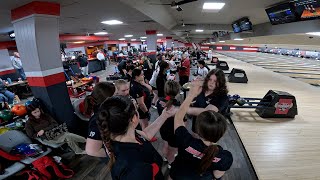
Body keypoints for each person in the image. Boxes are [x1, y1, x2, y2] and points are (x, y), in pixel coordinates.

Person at [96, 96, 177, 179]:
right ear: (134, 118)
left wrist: (164, 116)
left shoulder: (124, 135)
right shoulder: (135, 169)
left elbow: (145, 134)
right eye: (136, 108)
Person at [171, 79, 233, 180]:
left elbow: (178, 117)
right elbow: (216, 175)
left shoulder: (185, 140)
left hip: (178, 175)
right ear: (222, 133)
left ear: (198, 131)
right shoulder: (225, 157)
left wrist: (191, 94)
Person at [85, 82, 116, 157]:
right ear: (108, 99)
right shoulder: (97, 120)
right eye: (116, 95)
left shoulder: (108, 110)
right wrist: (116, 153)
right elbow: (91, 151)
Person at [156, 80, 181, 165]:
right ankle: (171, 163)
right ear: (177, 92)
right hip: (173, 131)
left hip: (163, 128)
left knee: (165, 144)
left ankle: (165, 158)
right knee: (173, 149)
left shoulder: (159, 101)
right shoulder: (177, 106)